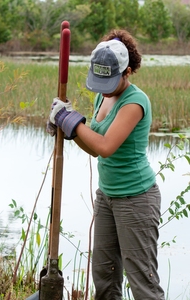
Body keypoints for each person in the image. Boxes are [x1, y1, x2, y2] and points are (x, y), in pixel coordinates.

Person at [47, 29, 165, 300]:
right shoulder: (104, 95)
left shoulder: (135, 102)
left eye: (110, 79)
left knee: (142, 282)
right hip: (107, 196)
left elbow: (106, 147)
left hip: (136, 199)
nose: (105, 86)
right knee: (104, 277)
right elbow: (93, 149)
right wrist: (66, 127)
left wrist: (71, 120)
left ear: (127, 72)